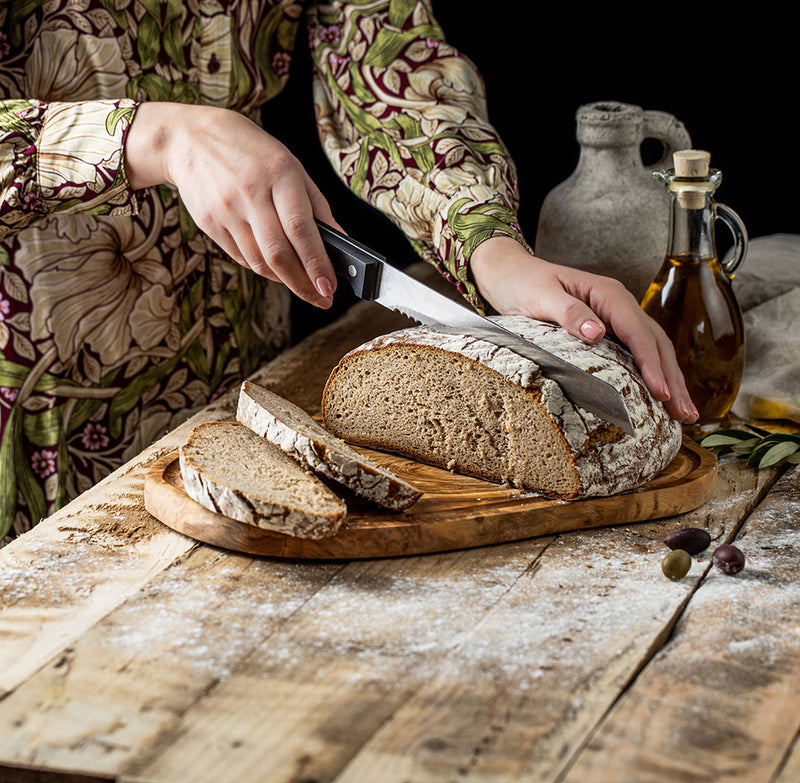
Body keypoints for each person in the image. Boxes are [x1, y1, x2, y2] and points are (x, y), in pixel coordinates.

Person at [0, 1, 697, 542]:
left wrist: (490, 247)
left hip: (239, 377)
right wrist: (154, 137)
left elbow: (388, 65)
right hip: (38, 404)